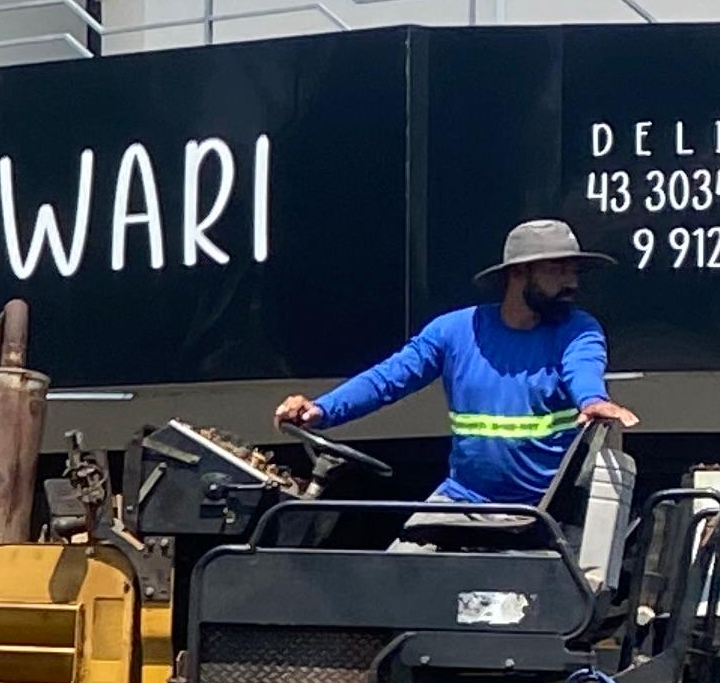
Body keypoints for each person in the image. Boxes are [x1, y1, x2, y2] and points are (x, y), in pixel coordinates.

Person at [274, 215, 642, 511]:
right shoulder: (453, 331)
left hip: (546, 512)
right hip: (463, 501)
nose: (571, 282)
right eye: (558, 270)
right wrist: (321, 410)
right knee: (399, 575)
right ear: (518, 273)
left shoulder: (578, 329)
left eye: (573, 271)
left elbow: (584, 367)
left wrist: (592, 400)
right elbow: (388, 379)